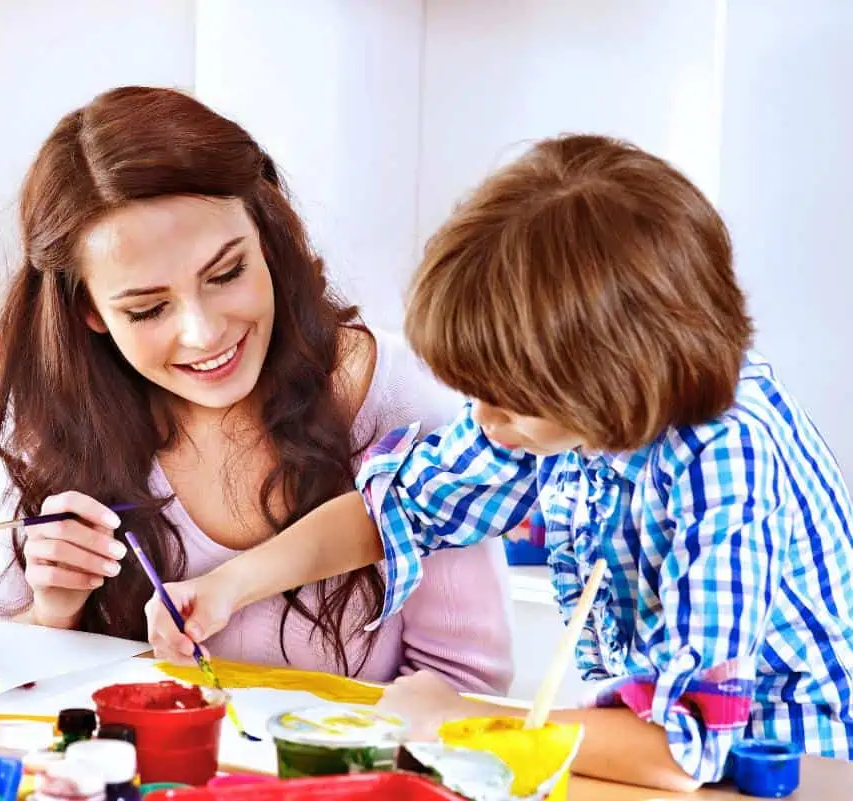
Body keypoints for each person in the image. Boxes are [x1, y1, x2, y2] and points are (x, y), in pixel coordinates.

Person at [144, 133, 853, 791]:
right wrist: (232, 583)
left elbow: (678, 749)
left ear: (614, 380)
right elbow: (397, 510)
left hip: (793, 775)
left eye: (508, 403)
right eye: (478, 393)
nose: (483, 420)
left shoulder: (727, 462)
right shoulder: (553, 409)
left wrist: (449, 720)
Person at [0, 85, 513, 691]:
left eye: (227, 273)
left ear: (268, 240)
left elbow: (468, 692)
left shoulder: (408, 408)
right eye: (147, 310)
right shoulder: (52, 412)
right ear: (88, 311)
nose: (203, 335)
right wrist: (53, 610)